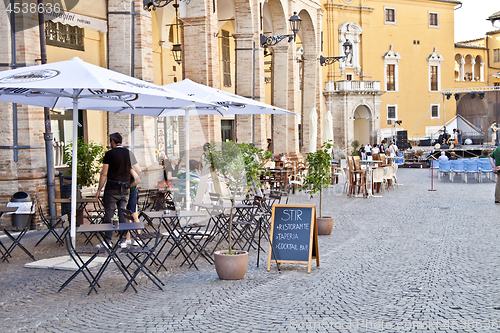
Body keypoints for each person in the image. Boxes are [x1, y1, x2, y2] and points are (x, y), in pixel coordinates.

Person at [95, 133, 140, 248]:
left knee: (109, 214)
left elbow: (104, 173)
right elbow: (138, 170)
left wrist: (99, 189)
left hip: (112, 188)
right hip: (125, 188)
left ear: (112, 142)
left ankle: (107, 241)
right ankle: (123, 240)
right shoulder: (128, 153)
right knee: (123, 214)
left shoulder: (109, 154)